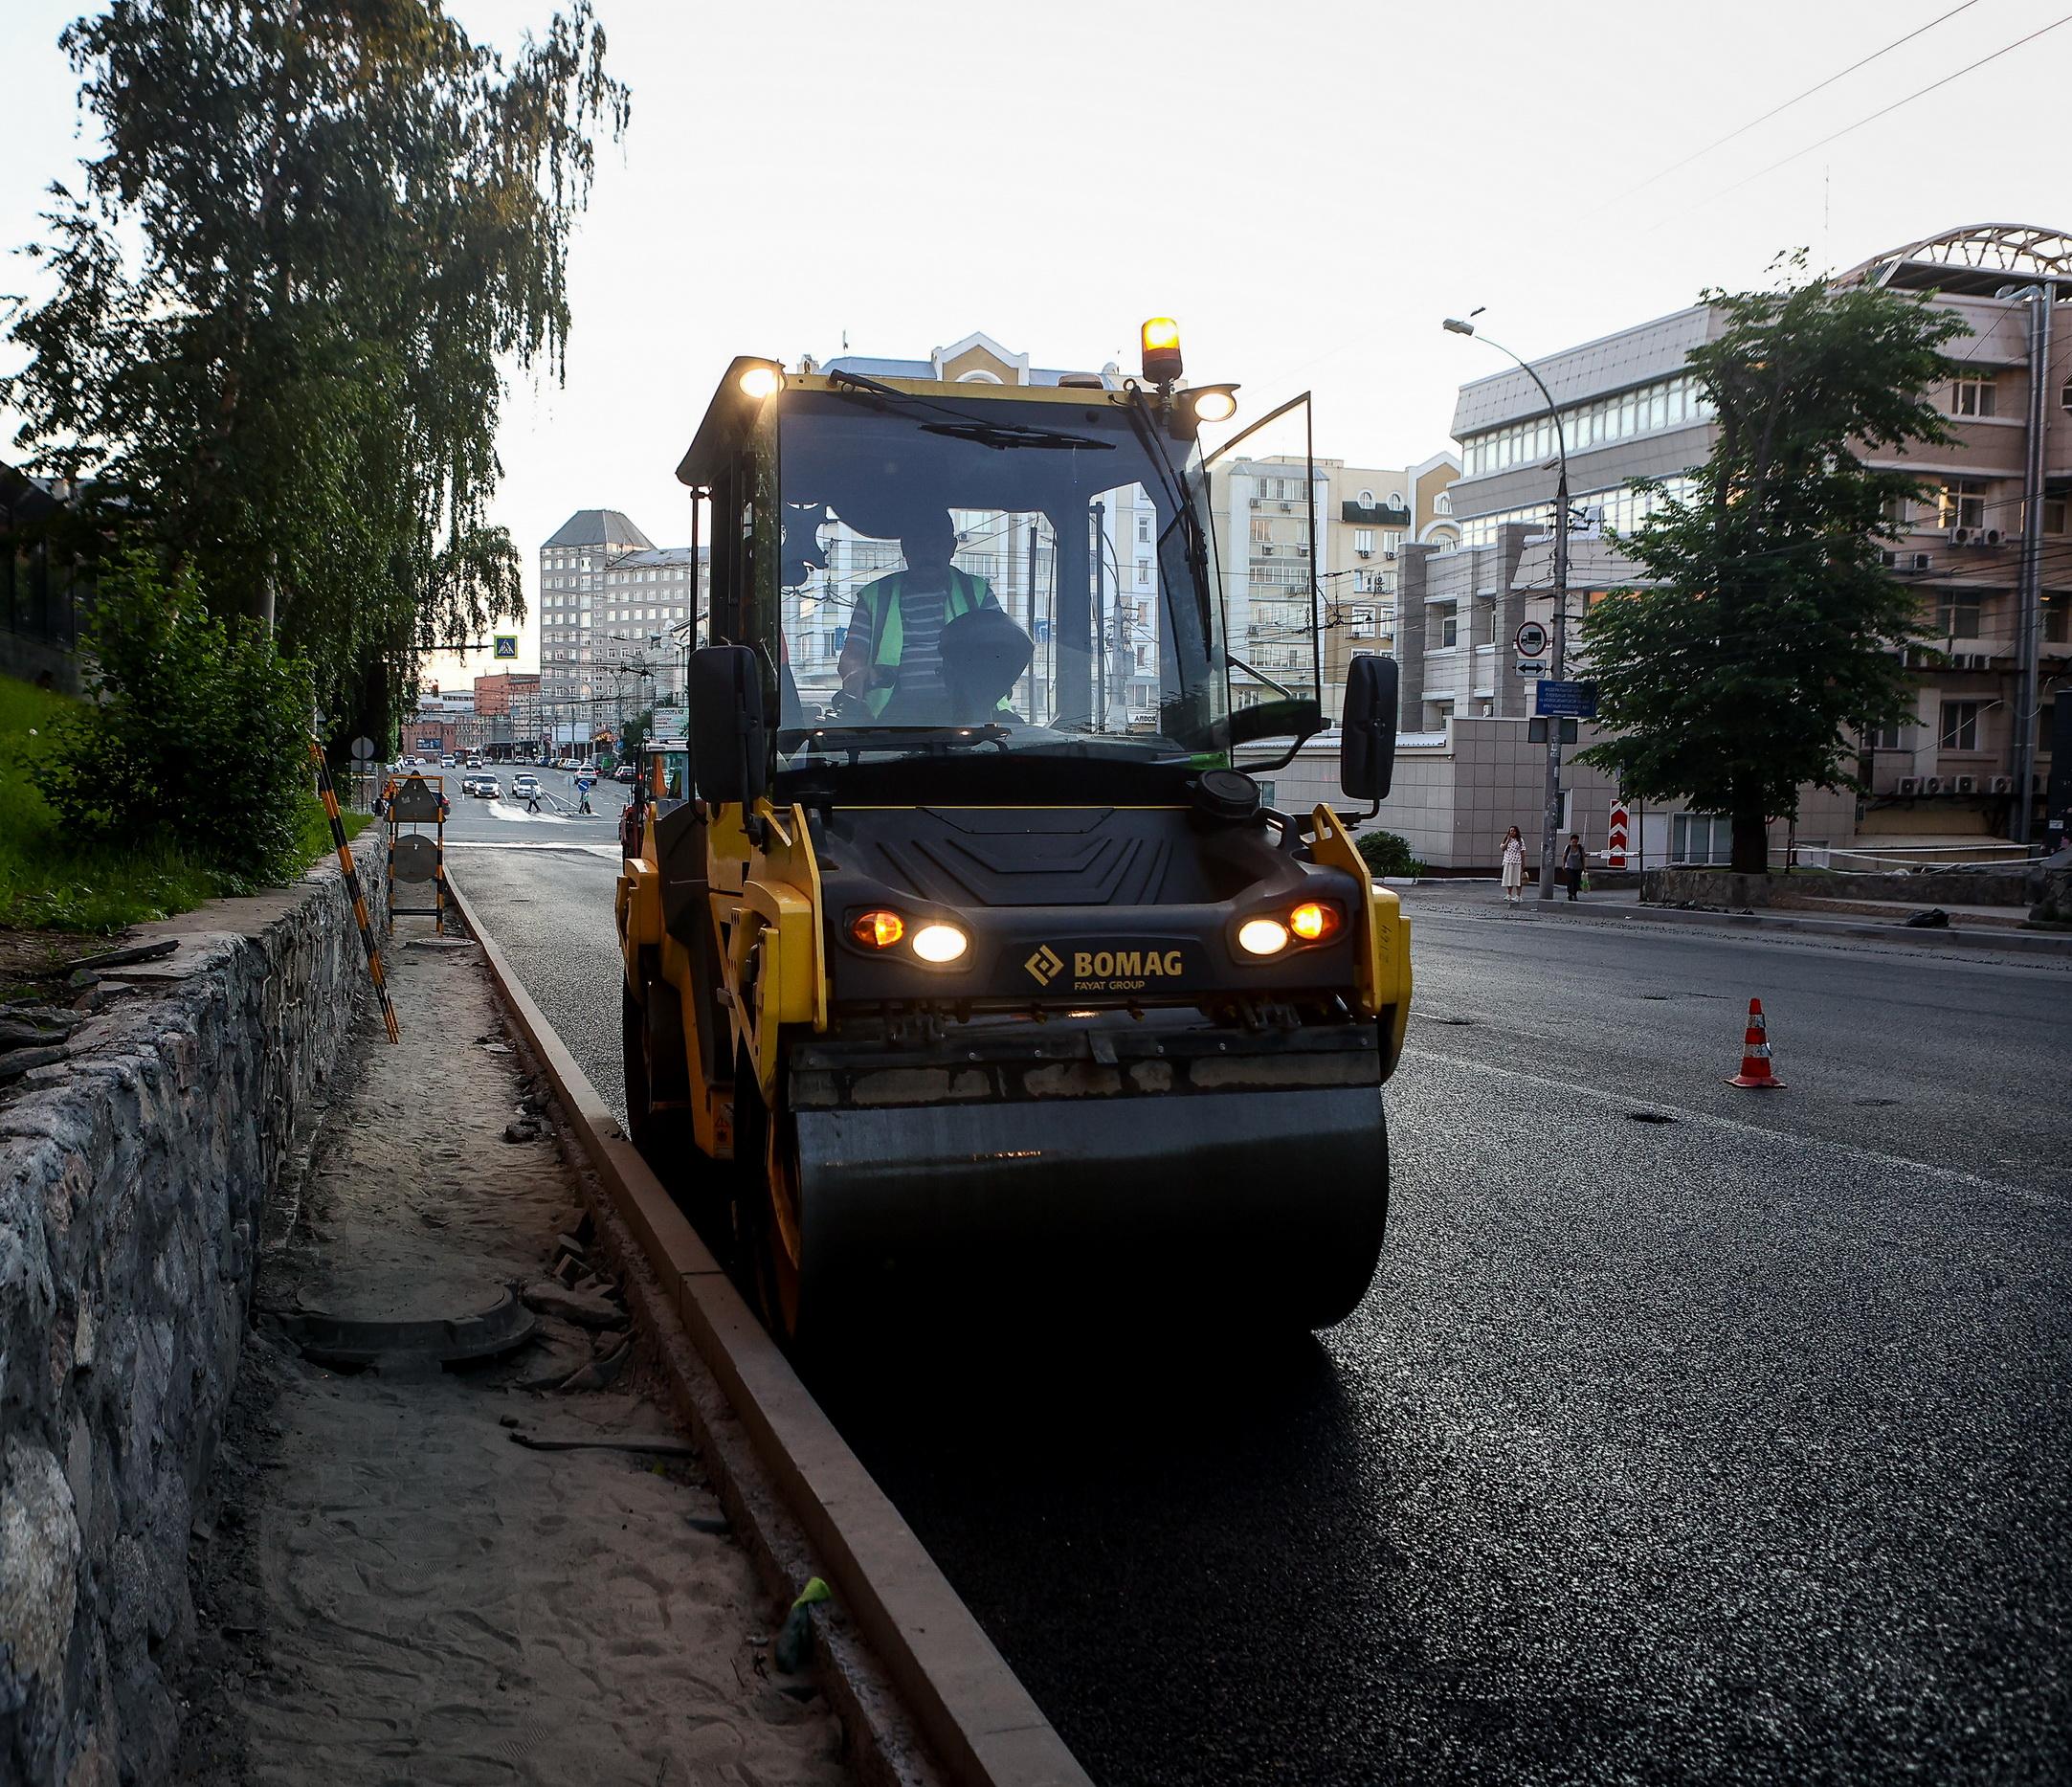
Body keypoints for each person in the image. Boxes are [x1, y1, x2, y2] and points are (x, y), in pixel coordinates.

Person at [838, 499, 1004, 724]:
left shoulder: (978, 592)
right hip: (893, 720)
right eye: (919, 544)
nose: (929, 553)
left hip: (971, 715)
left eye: (936, 544)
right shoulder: (874, 596)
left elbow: (1002, 652)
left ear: (952, 548)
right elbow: (852, 654)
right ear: (905, 548)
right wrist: (856, 672)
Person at [1500, 825, 1526, 909]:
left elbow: (1522, 852)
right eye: (1511, 831)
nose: (1512, 832)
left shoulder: (1520, 840)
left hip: (1517, 861)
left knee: (1517, 879)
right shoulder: (1507, 839)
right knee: (1509, 878)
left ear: (1516, 832)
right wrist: (1508, 840)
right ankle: (1509, 894)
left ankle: (1518, 895)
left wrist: (1523, 863)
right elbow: (1503, 848)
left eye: (1514, 831)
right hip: (1508, 861)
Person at [1563, 833, 1587, 901]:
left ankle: (1575, 894)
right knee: (1570, 880)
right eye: (1573, 842)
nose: (1574, 844)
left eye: (1576, 842)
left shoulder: (1580, 848)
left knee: (1577, 881)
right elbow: (1564, 856)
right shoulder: (1568, 848)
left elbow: (1583, 857)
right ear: (1570, 841)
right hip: (1569, 867)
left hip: (1578, 867)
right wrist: (1563, 865)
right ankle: (1570, 894)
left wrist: (1584, 867)